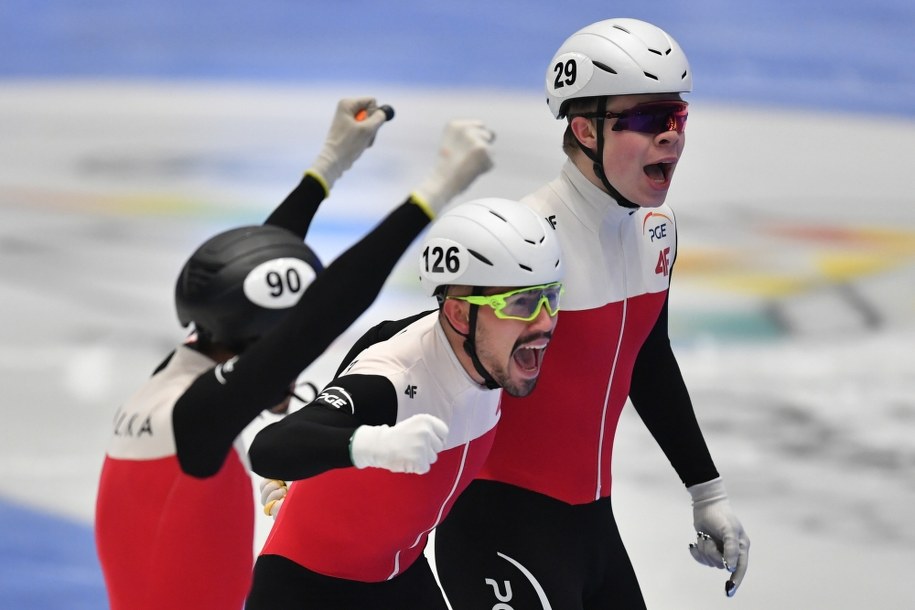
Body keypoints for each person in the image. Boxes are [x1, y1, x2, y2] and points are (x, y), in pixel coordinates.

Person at [93, 96, 495, 610]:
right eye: (278, 348)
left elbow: (249, 277)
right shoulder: (195, 418)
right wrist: (436, 191)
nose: (292, 364)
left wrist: (328, 166)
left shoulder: (174, 383)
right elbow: (315, 317)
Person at [432, 18, 751, 609]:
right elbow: (422, 351)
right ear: (584, 129)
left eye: (678, 119)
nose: (672, 139)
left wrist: (706, 492)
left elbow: (648, 359)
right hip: (497, 532)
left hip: (591, 529)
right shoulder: (523, 246)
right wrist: (328, 440)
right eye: (650, 120)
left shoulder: (659, 231)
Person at [244, 197, 564, 610]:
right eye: (520, 303)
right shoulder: (395, 380)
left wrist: (320, 451)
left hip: (401, 572)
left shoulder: (485, 345)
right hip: (306, 590)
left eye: (549, 298)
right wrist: (371, 444)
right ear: (460, 315)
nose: (543, 322)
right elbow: (270, 447)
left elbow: (373, 340)